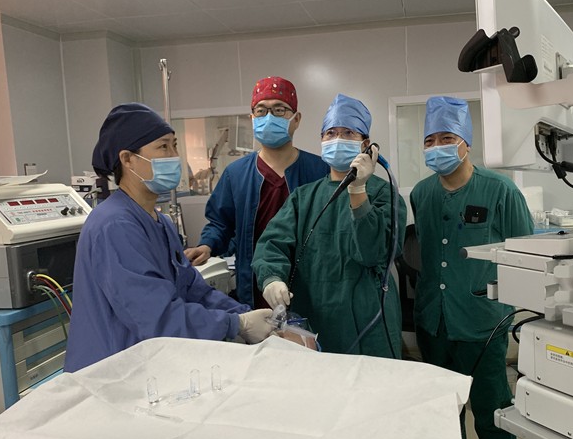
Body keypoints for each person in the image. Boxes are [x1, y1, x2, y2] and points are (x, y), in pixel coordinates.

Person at [64, 103, 275, 373]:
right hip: (112, 371)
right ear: (127, 159)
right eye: (163, 147)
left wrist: (244, 314)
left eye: (175, 145)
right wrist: (236, 325)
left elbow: (193, 291)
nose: (175, 156)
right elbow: (156, 318)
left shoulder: (160, 222)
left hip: (148, 365)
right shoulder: (114, 225)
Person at [410, 96, 534, 439]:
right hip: (434, 322)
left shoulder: (501, 191)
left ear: (466, 142)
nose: (437, 147)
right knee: (445, 413)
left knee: (491, 413)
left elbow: (524, 254)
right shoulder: (421, 194)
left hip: (483, 324)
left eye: (446, 138)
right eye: (429, 141)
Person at [252, 94, 407, 358]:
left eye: (348, 133)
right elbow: (272, 244)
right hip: (313, 318)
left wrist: (358, 191)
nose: (337, 139)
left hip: (368, 320)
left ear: (366, 145)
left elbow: (373, 253)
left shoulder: (384, 194)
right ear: (322, 140)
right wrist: (271, 278)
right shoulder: (303, 198)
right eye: (331, 133)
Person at [184, 77, 329, 309]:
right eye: (261, 110)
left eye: (279, 110)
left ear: (296, 119)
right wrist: (207, 245)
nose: (269, 117)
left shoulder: (319, 171)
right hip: (255, 286)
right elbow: (221, 223)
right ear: (252, 118)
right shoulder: (236, 174)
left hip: (310, 284)